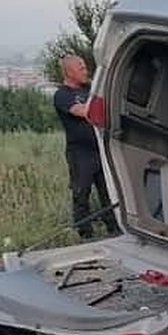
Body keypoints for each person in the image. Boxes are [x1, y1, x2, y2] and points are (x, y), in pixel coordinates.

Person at [53, 54, 119, 240]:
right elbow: (83, 112)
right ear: (69, 72)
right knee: (81, 194)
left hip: (100, 150)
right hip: (80, 154)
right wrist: (98, 105)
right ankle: (85, 235)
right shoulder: (62, 95)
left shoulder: (89, 89)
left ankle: (114, 229)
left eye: (84, 67)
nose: (85, 70)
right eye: (81, 68)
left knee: (108, 192)